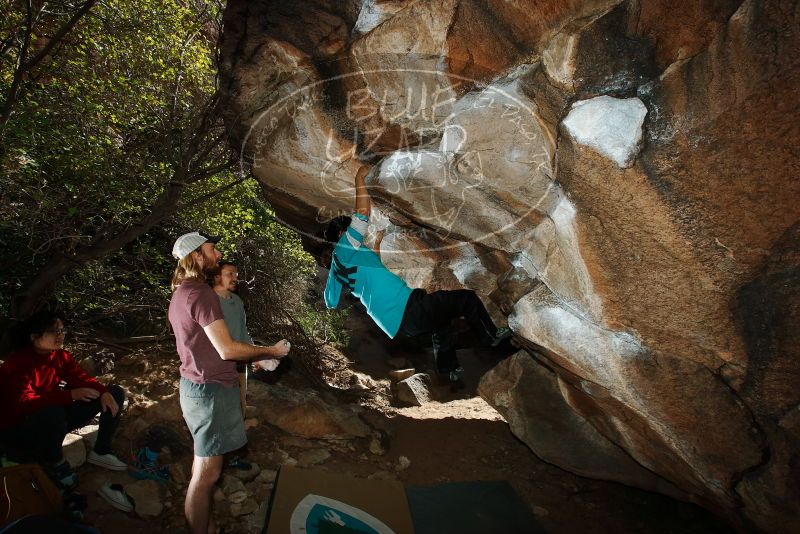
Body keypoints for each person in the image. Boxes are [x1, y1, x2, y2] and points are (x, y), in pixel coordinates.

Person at [322, 165, 512, 385]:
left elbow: (330, 301)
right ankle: (490, 336)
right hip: (406, 308)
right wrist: (359, 178)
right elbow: (361, 215)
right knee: (465, 299)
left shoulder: (338, 266)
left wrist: (376, 243)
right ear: (341, 233)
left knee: (441, 324)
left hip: (395, 325)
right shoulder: (345, 246)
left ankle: (447, 368)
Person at [168, 231, 290, 534]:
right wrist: (270, 351)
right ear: (197, 256)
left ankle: (208, 528)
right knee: (206, 476)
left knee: (204, 469)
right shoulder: (201, 293)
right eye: (213, 250)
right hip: (210, 391)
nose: (218, 255)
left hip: (197, 386)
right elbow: (228, 349)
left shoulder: (182, 292)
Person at [0, 311, 127, 490]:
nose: (60, 335)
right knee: (52, 409)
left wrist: (103, 391)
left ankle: (101, 450)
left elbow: (81, 377)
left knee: (114, 393)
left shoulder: (60, 356)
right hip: (20, 429)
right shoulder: (17, 363)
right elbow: (22, 403)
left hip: (52, 421)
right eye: (54, 331)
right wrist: (71, 395)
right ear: (34, 336)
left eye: (62, 330)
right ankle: (55, 462)